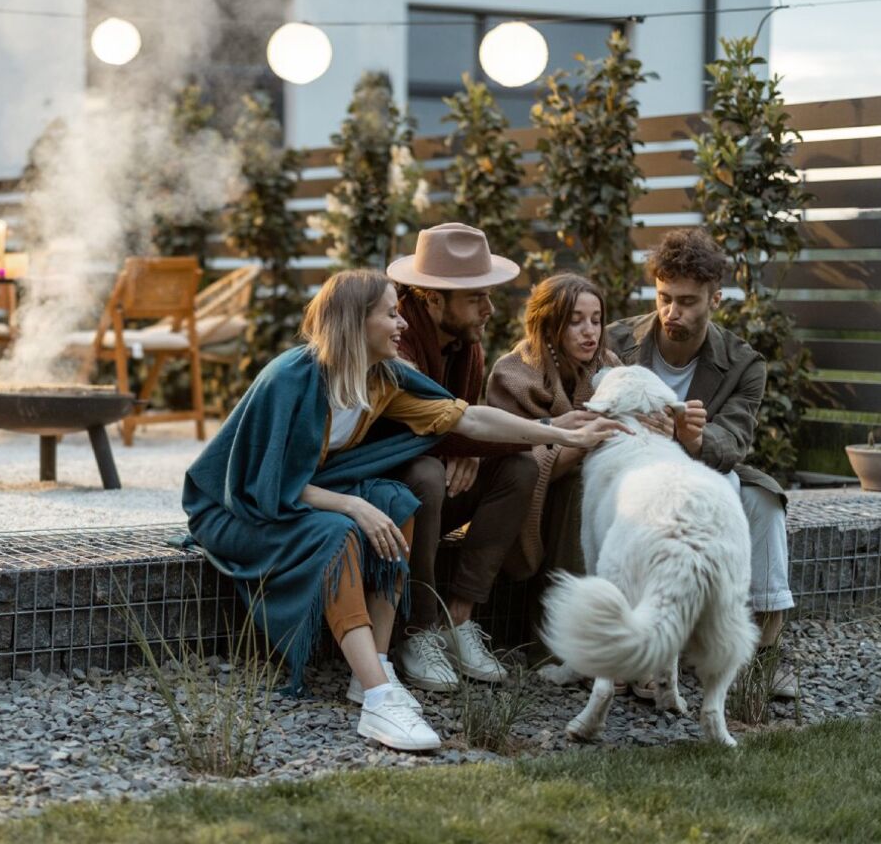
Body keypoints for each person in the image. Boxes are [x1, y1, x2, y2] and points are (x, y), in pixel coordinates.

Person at [183, 270, 628, 752]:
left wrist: (560, 432)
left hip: (298, 498)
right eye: (391, 314)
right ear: (356, 321)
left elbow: (470, 419)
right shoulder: (291, 378)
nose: (402, 325)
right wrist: (352, 504)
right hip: (237, 512)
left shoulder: (383, 378)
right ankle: (379, 699)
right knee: (339, 532)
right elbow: (261, 486)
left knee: (397, 502)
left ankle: (372, 669)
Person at [606, 228, 798, 699]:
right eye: (664, 298)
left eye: (687, 301)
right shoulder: (617, 342)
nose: (672, 312)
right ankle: (650, 646)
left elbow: (734, 440)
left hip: (706, 468)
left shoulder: (743, 363)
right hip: (630, 473)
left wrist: (694, 438)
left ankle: (764, 653)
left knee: (764, 501)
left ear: (715, 299)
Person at [383, 223, 539, 692]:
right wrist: (465, 443)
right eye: (475, 298)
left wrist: (465, 446)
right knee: (427, 472)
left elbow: (460, 422)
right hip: (382, 500)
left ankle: (459, 619)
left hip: (432, 495)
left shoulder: (466, 343)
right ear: (433, 299)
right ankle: (417, 630)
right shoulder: (395, 341)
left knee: (519, 469)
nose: (488, 309)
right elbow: (423, 432)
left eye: (487, 295)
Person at [485, 272, 623, 580]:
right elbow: (514, 464)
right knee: (577, 486)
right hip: (532, 503)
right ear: (548, 325)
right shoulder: (513, 375)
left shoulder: (609, 366)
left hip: (609, 495)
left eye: (596, 320)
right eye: (575, 321)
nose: (590, 331)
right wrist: (583, 442)